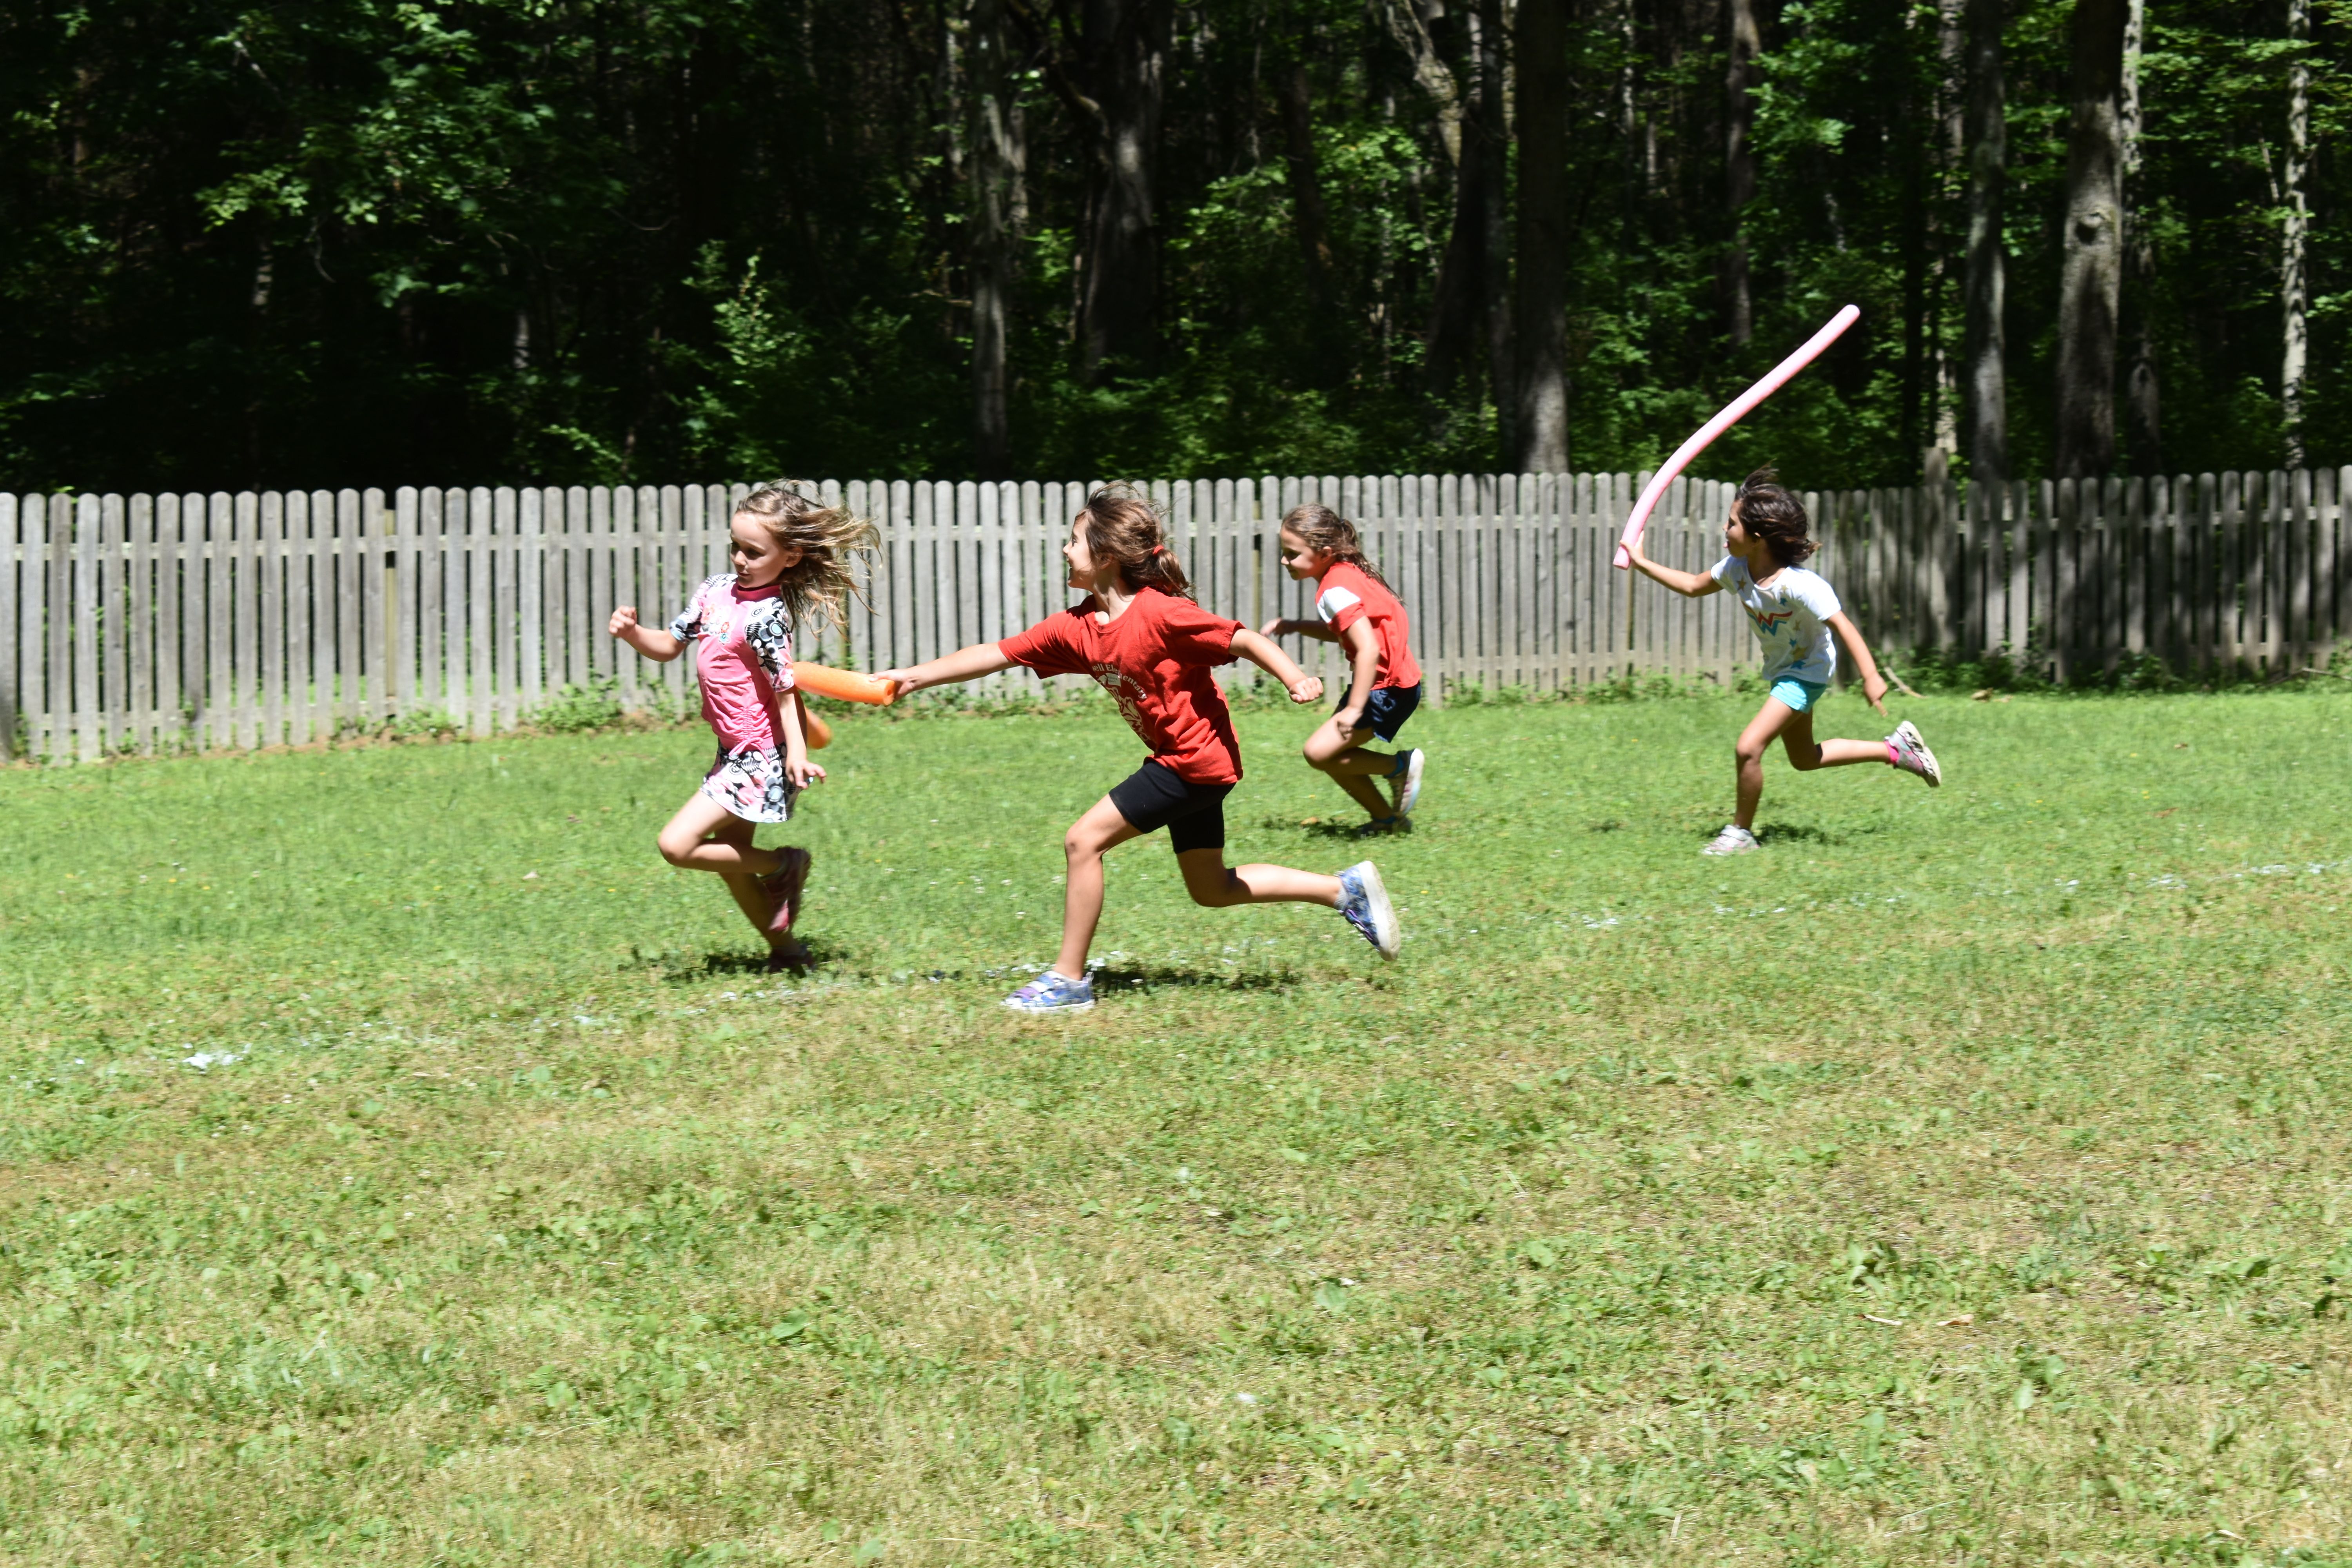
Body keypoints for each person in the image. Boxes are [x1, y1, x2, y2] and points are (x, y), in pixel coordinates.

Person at [878, 485, 1402, 1014]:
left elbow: (1243, 639)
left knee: (1084, 841)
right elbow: (998, 653)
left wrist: (1294, 678)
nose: (1064, 550)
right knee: (1211, 888)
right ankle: (1343, 890)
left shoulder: (1162, 615)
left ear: (1104, 556)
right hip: (1196, 762)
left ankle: (1068, 980)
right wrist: (914, 677)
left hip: (1193, 762)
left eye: (1073, 541)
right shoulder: (1077, 627)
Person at [609, 482, 878, 966]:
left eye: (754, 552)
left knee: (676, 844)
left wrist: (796, 753)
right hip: (731, 752)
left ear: (791, 556)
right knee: (734, 864)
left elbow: (786, 688)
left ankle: (785, 864)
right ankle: (788, 952)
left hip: (761, 758)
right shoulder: (714, 592)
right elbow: (669, 645)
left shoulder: (767, 617)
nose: (740, 559)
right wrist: (633, 634)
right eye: (736, 546)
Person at [1622, 467, 1940, 856]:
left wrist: (1871, 675)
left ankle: (1740, 833)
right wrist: (1640, 561)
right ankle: (1897, 750)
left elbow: (1844, 626)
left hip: (1806, 672)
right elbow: (1691, 586)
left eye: (1732, 523)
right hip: (1783, 671)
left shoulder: (1801, 585)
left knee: (1748, 747)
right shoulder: (1736, 570)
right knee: (1804, 758)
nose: (1724, 529)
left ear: (1757, 538)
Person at [1260, 503, 1425, 833]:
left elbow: (1368, 649)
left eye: (1292, 554)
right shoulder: (1346, 571)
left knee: (1318, 753)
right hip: (1395, 684)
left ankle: (1399, 767)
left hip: (1386, 689)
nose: (1284, 561)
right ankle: (1386, 820)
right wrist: (1295, 625)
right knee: (1329, 756)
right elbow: (1346, 632)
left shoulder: (1334, 589)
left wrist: (1353, 708)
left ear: (1324, 552)